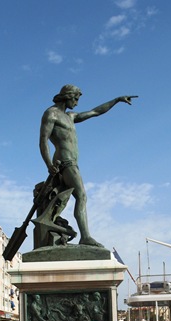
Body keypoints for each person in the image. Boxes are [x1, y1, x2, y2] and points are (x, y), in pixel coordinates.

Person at [39, 85, 138, 247]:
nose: (77, 103)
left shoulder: (69, 117)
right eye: (76, 99)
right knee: (82, 196)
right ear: (67, 96)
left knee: (59, 203)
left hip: (71, 162)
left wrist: (116, 100)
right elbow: (43, 140)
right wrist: (49, 164)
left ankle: (56, 231)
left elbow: (95, 112)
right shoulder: (51, 114)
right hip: (65, 162)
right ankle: (85, 236)